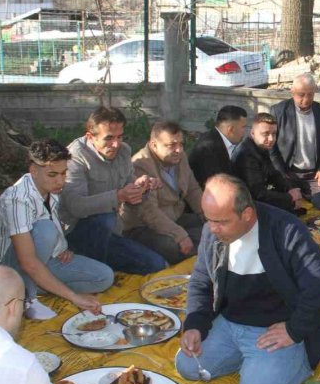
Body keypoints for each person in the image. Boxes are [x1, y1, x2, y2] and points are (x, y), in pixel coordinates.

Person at [176, 174, 320, 384]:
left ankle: (292, 361)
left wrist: (294, 330)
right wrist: (195, 324)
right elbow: (201, 281)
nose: (212, 228)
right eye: (208, 219)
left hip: (276, 328)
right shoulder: (213, 232)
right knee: (186, 365)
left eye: (220, 221)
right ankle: (251, 361)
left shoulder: (286, 231)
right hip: (230, 322)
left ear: (247, 215)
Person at [0, 139, 114, 320]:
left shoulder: (50, 188)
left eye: (63, 173)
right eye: (53, 175)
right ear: (33, 171)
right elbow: (28, 261)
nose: (60, 181)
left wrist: (61, 248)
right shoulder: (17, 199)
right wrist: (74, 297)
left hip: (44, 258)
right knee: (46, 230)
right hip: (11, 266)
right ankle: (28, 298)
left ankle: (40, 285)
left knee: (104, 277)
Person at [60, 106, 167, 276]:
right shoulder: (74, 157)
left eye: (119, 137)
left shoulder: (124, 150)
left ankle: (101, 269)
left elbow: (129, 183)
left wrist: (141, 185)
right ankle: (93, 271)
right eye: (109, 138)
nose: (116, 144)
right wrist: (118, 196)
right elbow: (76, 206)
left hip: (109, 234)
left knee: (157, 265)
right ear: (90, 137)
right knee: (106, 217)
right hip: (74, 236)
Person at [123, 121, 205, 265]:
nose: (179, 149)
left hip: (175, 218)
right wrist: (180, 235)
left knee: (212, 228)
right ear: (154, 144)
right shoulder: (140, 165)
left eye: (181, 144)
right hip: (144, 227)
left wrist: (208, 214)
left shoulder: (180, 157)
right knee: (171, 247)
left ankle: (200, 248)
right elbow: (149, 212)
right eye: (171, 145)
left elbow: (193, 189)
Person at [269, 73, 320, 209]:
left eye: (310, 94)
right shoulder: (278, 111)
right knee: (290, 206)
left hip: (314, 175)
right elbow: (271, 148)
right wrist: (282, 174)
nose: (306, 99)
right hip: (288, 173)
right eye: (301, 94)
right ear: (292, 92)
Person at [233, 112, 304, 213]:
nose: (271, 139)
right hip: (244, 207)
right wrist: (289, 197)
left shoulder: (261, 147)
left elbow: (273, 174)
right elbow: (257, 193)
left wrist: (290, 189)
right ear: (252, 133)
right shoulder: (246, 155)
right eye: (265, 134)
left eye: (274, 134)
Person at [188, 105, 248, 187]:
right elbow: (216, 186)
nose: (244, 132)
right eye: (243, 127)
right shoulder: (207, 148)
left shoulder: (224, 142)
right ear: (231, 129)